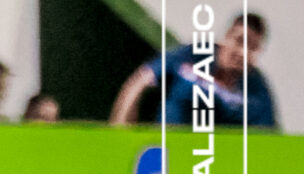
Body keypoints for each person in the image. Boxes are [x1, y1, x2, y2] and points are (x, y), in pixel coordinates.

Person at [108, 12, 278, 130]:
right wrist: (120, 134)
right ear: (226, 37)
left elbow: (267, 141)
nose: (243, 52)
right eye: (240, 41)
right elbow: (140, 81)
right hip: (167, 152)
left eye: (253, 48)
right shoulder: (193, 55)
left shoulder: (257, 93)